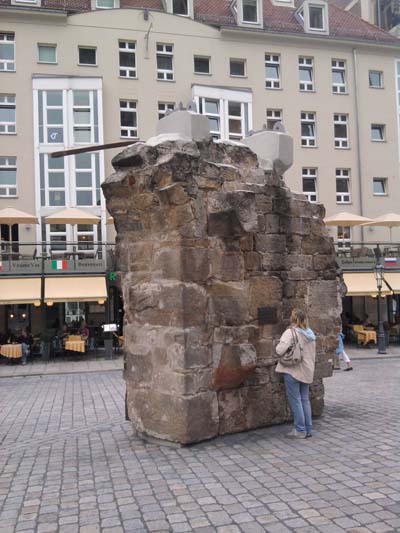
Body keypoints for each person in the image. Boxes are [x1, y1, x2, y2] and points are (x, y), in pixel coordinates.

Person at [275, 309, 316, 439]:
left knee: (296, 400)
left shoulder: (290, 332)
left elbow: (279, 350)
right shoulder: (311, 334)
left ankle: (300, 429)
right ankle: (308, 429)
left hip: (293, 369)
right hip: (307, 370)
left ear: (293, 319)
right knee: (304, 399)